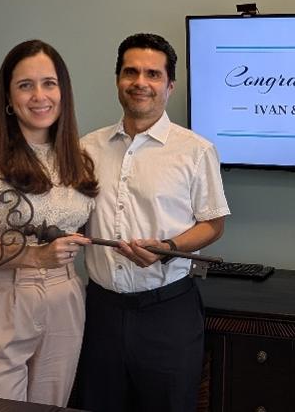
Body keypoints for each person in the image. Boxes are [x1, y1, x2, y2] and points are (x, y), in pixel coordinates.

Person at [0, 39, 98, 406]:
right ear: (8, 98)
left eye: (49, 83)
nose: (39, 96)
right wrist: (33, 257)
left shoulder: (81, 158)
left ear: (63, 92)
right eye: (25, 85)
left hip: (65, 301)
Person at [73, 33, 230, 412]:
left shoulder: (195, 150)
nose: (140, 82)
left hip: (167, 314)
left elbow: (213, 224)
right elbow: (73, 216)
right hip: (99, 312)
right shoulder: (85, 148)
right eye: (131, 72)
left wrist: (168, 250)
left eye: (153, 74)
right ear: (117, 80)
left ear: (169, 85)